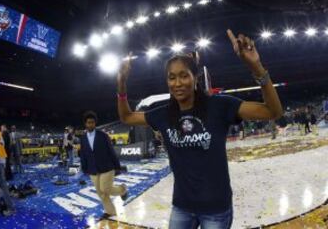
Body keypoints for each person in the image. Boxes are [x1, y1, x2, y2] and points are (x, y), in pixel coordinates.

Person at [116, 30, 283, 229]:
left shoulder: (219, 106)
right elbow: (126, 116)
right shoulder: (162, 115)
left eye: (184, 76)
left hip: (216, 210)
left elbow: (273, 111)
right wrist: (121, 85)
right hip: (182, 207)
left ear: (195, 77)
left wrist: (256, 67)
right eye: (171, 78)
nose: (177, 83)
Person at [79, 111, 128, 219]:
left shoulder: (103, 135)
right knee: (101, 193)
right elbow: (83, 154)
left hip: (107, 167)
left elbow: (111, 151)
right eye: (88, 122)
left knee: (105, 189)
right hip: (93, 169)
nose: (90, 124)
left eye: (92, 122)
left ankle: (123, 189)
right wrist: (84, 167)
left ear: (95, 123)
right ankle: (110, 211)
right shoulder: (82, 138)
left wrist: (117, 166)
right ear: (85, 124)